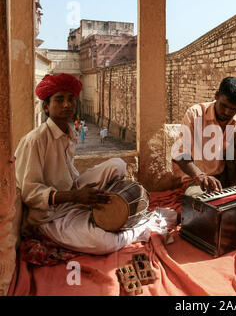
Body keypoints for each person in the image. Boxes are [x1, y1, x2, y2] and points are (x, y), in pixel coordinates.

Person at [15, 73, 176, 255]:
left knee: (118, 165)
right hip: (50, 215)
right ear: (45, 106)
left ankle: (112, 211)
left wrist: (81, 194)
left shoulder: (69, 133)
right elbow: (29, 193)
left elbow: (69, 178)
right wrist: (75, 197)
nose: (67, 105)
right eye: (59, 100)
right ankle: (146, 225)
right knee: (104, 244)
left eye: (71, 99)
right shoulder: (35, 140)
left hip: (73, 193)